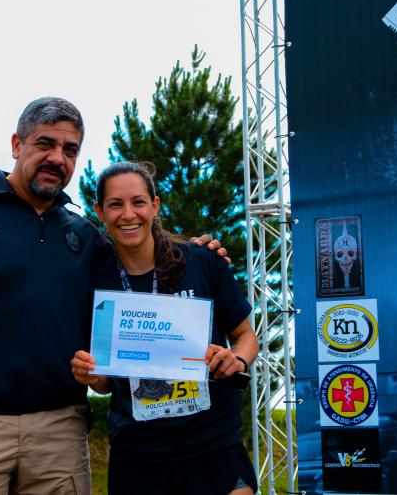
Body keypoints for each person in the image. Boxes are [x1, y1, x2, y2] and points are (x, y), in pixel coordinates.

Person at [0, 98, 225, 494]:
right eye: (45, 144)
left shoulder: (86, 236)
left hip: (61, 433)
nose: (58, 158)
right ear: (17, 144)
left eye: (70, 150)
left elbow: (141, 268)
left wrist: (197, 254)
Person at [70, 161, 259, 495]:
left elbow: (245, 336)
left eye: (138, 202)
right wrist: (90, 374)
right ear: (100, 212)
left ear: (155, 206)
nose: (128, 214)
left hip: (213, 445)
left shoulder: (202, 259)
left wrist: (237, 360)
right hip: (139, 455)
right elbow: (105, 381)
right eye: (115, 204)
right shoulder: (94, 281)